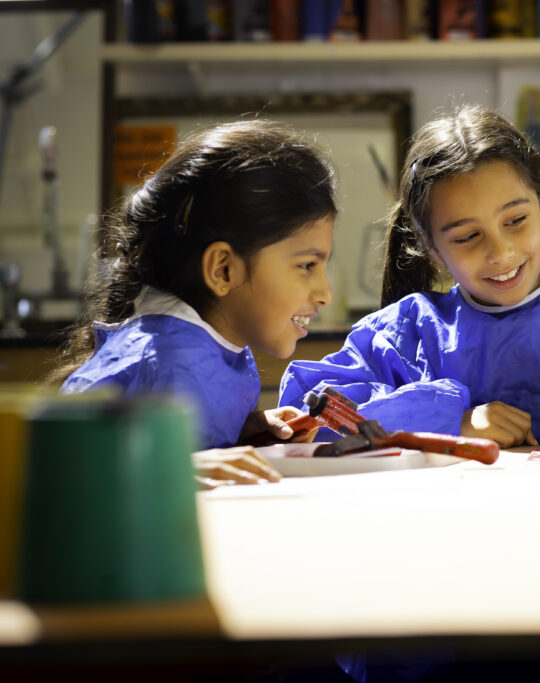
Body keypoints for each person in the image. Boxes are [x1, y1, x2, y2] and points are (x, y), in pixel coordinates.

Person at [279, 104, 540, 447]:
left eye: (516, 220)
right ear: (432, 246)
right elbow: (306, 414)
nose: (500, 252)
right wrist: (446, 421)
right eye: (467, 237)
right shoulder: (404, 336)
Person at [50, 119, 337, 488]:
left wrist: (239, 435)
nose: (325, 293)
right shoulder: (167, 363)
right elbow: (60, 484)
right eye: (307, 265)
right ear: (223, 269)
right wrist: (175, 470)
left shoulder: (210, 346)